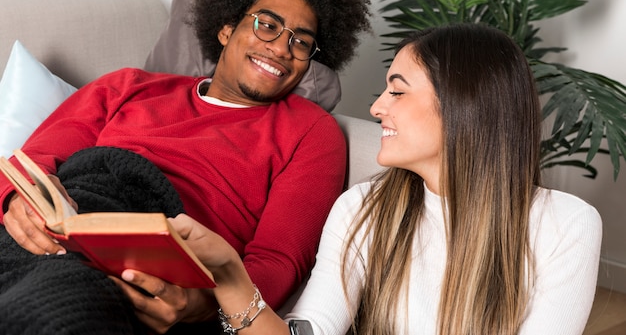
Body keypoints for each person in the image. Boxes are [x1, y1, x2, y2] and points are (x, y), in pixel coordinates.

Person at [0, 0, 370, 334]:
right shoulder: (126, 86)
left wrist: (207, 303)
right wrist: (16, 201)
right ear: (227, 29)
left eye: (301, 42)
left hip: (155, 259)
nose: (282, 48)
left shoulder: (311, 131)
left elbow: (279, 259)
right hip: (65, 221)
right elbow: (29, 164)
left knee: (52, 310)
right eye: (268, 25)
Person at [124, 23, 603, 335]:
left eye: (396, 90)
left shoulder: (567, 224)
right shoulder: (362, 208)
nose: (376, 108)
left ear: (464, 104)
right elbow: (311, 328)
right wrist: (228, 275)